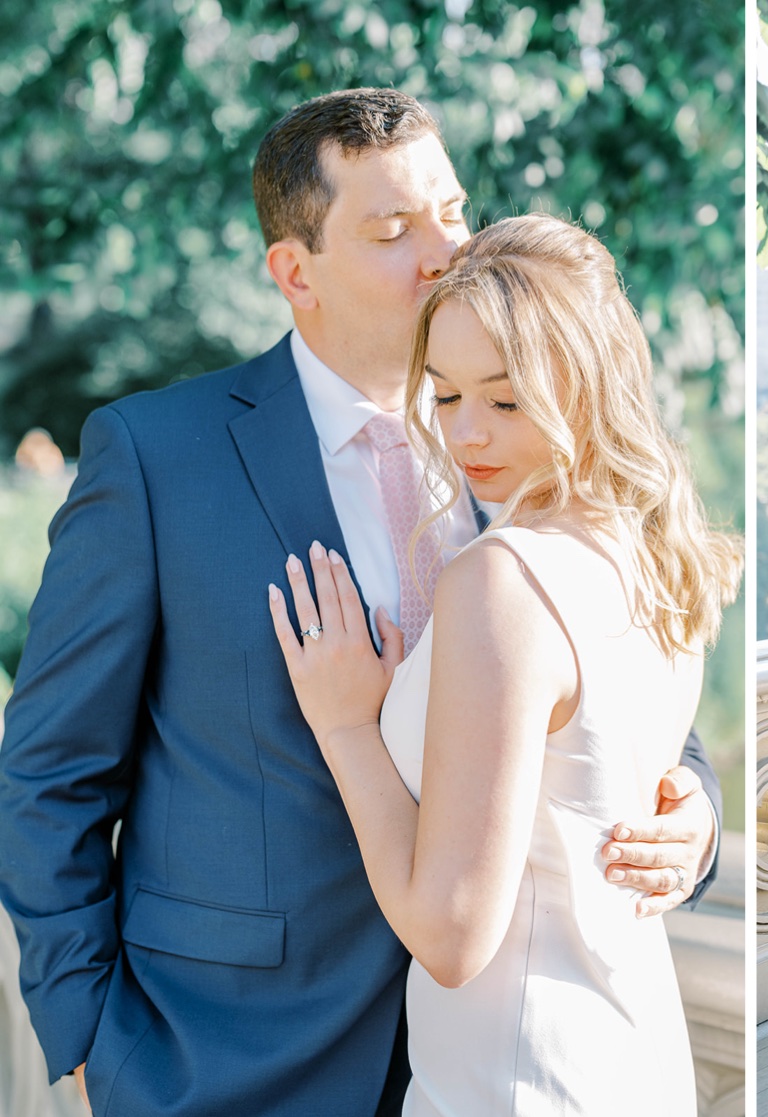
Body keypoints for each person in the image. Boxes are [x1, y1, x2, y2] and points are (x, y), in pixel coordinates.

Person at [0, 89, 722, 1117]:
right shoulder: (159, 457)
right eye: (393, 230)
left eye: (453, 211)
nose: (444, 252)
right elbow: (49, 771)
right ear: (296, 272)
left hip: (487, 1057)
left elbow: (618, 688)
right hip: (226, 1064)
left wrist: (692, 810)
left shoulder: (528, 451)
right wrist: (85, 1036)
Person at [269, 213, 741, 1115]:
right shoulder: (656, 553)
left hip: (517, 1078)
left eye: (506, 398)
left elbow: (452, 935)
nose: (466, 434)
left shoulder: (503, 577)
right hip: (630, 1053)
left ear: (585, 383)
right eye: (444, 396)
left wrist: (346, 727)